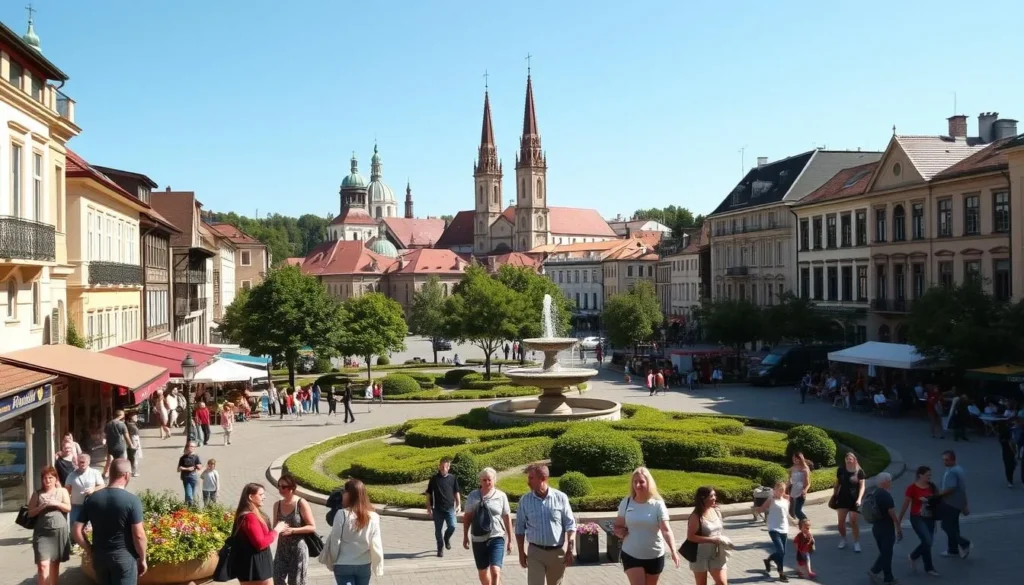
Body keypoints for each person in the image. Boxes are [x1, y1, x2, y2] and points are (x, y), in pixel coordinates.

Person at [72, 459, 147, 585]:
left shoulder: (92, 499)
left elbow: (76, 530)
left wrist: (90, 550)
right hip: (124, 557)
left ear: (110, 473)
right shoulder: (132, 501)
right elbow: (139, 535)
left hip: (100, 557)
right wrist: (143, 558)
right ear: (127, 475)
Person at [612, 467, 679, 585]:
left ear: (649, 482)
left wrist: (673, 551)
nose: (638, 485)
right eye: (635, 482)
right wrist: (619, 532)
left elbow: (666, 530)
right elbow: (617, 526)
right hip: (631, 553)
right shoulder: (626, 502)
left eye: (641, 482)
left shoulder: (658, 504)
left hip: (654, 555)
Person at [514, 464, 576, 585]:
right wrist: (521, 552)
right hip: (535, 552)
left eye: (531, 478)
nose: (528, 482)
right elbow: (519, 528)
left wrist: (570, 548)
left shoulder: (560, 498)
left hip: (556, 553)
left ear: (542, 478)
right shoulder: (525, 500)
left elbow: (570, 525)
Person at [319, 478, 384, 585]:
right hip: (364, 564)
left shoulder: (341, 514)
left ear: (350, 495)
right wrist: (378, 566)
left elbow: (335, 541)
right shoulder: (374, 517)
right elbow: (376, 544)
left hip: (343, 563)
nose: (342, 495)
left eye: (344, 492)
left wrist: (333, 561)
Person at [462, 467, 513, 585]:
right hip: (478, 538)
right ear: (480, 481)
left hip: (497, 536)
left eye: (489, 479)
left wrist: (510, 540)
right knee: (483, 573)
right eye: (484, 480)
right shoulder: (473, 496)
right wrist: (465, 536)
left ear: (494, 480)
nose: (487, 483)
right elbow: (467, 517)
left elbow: (506, 517)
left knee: (495, 571)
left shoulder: (501, 496)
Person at [232, 483, 288, 585]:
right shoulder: (249, 517)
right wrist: (277, 530)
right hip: (255, 568)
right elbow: (260, 543)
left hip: (256, 565)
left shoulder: (252, 514)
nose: (264, 497)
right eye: (261, 494)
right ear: (251, 497)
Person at [28, 466, 72, 585]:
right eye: (45, 478)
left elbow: (68, 508)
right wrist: (41, 507)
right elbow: (30, 513)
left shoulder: (62, 491)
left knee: (54, 564)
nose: (48, 481)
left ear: (55, 478)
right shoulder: (37, 494)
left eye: (50, 478)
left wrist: (56, 503)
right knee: (42, 565)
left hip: (58, 531)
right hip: (42, 532)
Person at [273, 473, 317, 585]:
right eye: (279, 486)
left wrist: (293, 530)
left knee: (296, 582)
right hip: (282, 549)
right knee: (277, 578)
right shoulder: (277, 505)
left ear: (292, 488)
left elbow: (312, 526)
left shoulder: (301, 503)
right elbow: (274, 527)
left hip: (298, 548)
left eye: (284, 487)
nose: (280, 489)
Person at [898, 465, 939, 576]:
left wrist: (929, 500)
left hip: (930, 517)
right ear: (920, 475)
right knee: (928, 541)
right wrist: (898, 521)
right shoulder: (912, 488)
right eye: (927, 475)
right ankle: (913, 556)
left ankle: (929, 567)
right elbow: (905, 505)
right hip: (917, 517)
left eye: (930, 475)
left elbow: (937, 502)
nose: (929, 477)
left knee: (927, 542)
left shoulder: (932, 487)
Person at [686, 486, 730, 585]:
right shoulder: (696, 516)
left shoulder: (716, 510)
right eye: (711, 496)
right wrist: (712, 540)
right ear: (702, 498)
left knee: (722, 582)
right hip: (699, 555)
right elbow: (691, 537)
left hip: (717, 553)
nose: (714, 498)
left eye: (714, 495)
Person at [867, 472, 901, 585]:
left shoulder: (875, 493)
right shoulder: (886, 495)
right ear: (885, 482)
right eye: (889, 481)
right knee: (886, 554)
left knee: (885, 553)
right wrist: (898, 527)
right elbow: (892, 514)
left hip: (876, 528)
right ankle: (874, 571)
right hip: (886, 529)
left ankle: (888, 577)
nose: (890, 483)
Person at [425, 457, 461, 557]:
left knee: (453, 526)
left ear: (449, 467)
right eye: (442, 465)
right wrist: (428, 507)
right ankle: (440, 548)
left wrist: (459, 505)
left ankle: (446, 538)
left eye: (445, 466)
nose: (443, 467)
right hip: (437, 509)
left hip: (450, 508)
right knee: (438, 530)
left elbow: (456, 492)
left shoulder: (453, 478)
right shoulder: (434, 479)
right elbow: (428, 493)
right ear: (439, 466)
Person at [938, 449, 971, 559]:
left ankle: (964, 543)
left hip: (950, 503)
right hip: (957, 503)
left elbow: (951, 488)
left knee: (945, 525)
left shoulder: (952, 471)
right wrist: (964, 504)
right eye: (944, 460)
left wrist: (939, 495)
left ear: (953, 459)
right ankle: (952, 549)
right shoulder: (958, 469)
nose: (944, 462)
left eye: (947, 460)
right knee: (953, 526)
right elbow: (963, 488)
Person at [831, 452, 865, 552]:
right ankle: (843, 539)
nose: (848, 460)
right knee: (840, 523)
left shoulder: (859, 472)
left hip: (854, 500)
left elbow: (862, 486)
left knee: (853, 521)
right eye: (846, 458)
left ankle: (856, 542)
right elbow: (837, 484)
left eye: (850, 458)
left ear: (854, 460)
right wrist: (834, 494)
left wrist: (859, 499)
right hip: (842, 498)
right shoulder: (841, 470)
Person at [757, 481, 790, 582]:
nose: (780, 492)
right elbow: (761, 509)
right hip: (773, 528)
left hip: (784, 527)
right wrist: (758, 509)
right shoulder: (771, 499)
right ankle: (781, 573)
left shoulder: (786, 500)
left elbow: (786, 514)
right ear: (774, 490)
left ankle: (768, 560)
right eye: (778, 489)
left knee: (782, 553)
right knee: (780, 550)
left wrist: (794, 521)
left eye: (782, 490)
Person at [65, 454, 104, 528]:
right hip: (76, 506)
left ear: (89, 462)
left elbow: (102, 486)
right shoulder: (72, 475)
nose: (82, 464)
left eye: (84, 462)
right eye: (80, 462)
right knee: (74, 527)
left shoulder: (95, 472)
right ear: (77, 463)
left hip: (91, 505)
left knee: (89, 528)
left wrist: (93, 489)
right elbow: (67, 490)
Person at [102, 410, 131, 478]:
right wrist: (131, 445)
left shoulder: (108, 424)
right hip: (120, 446)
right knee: (121, 462)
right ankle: (119, 475)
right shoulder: (122, 424)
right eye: (123, 414)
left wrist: (105, 442)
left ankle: (105, 473)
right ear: (121, 415)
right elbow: (127, 437)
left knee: (109, 461)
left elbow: (105, 435)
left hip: (111, 446)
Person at [787, 452, 811, 521]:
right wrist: (783, 488)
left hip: (800, 492)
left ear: (800, 459)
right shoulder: (792, 469)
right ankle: (799, 524)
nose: (794, 460)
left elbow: (808, 483)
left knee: (797, 511)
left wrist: (805, 490)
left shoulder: (805, 469)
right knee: (791, 511)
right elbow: (790, 481)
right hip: (793, 491)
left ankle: (806, 522)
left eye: (796, 458)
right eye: (793, 458)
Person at [997, 422, 1019, 487]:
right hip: (1007, 451)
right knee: (1008, 466)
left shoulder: (1019, 430)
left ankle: (1010, 478)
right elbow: (1001, 439)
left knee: (1012, 466)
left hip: (1016, 450)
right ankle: (1010, 480)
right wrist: (1006, 441)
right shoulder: (1005, 431)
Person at [125, 413, 142, 477]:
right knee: (134, 457)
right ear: (131, 418)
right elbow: (134, 437)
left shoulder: (130, 424)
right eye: (135, 417)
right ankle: (134, 472)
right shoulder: (131, 426)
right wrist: (136, 445)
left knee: (132, 457)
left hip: (133, 441)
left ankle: (132, 471)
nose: (136, 418)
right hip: (134, 441)